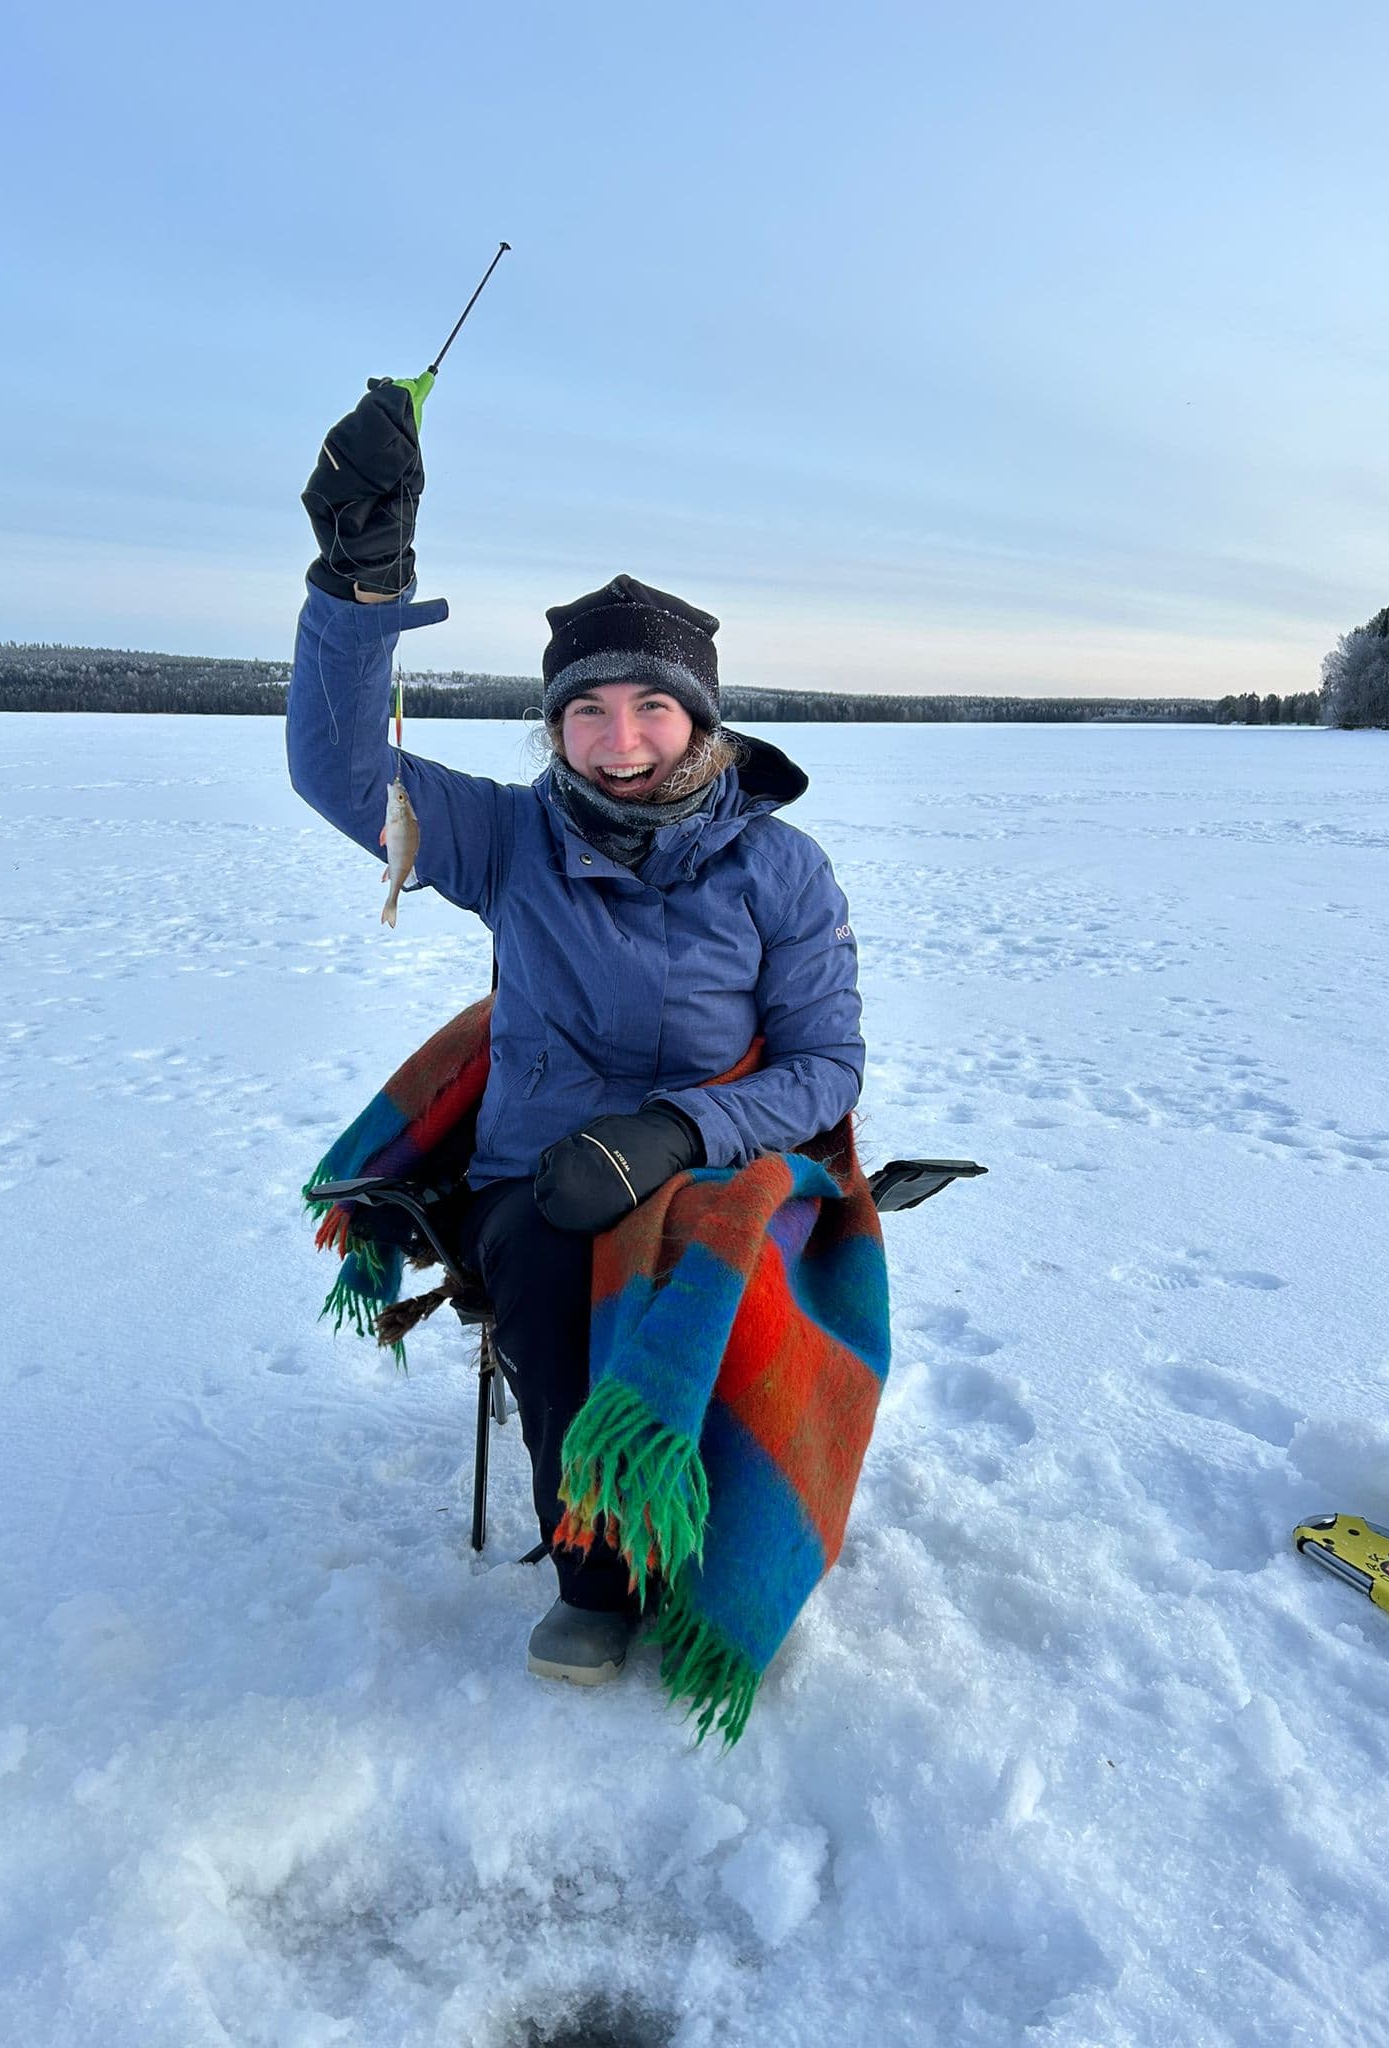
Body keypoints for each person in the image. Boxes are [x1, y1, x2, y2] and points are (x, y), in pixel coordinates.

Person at [287, 379, 865, 1685]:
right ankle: (597, 1570)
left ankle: (740, 1522)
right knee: (553, 1266)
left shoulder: (784, 870)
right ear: (553, 726)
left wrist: (676, 1128)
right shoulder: (507, 839)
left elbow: (826, 1066)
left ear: (700, 724)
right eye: (587, 713)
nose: (619, 740)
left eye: (651, 710)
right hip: (538, 1169)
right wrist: (355, 592)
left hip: (728, 1160)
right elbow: (338, 771)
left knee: (733, 1271)